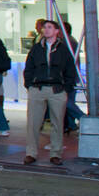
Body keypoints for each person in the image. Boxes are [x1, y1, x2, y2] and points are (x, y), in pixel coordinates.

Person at [23, 19, 76, 166]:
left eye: (50, 27)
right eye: (45, 27)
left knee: (57, 123)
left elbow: (70, 70)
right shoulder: (36, 49)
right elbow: (29, 68)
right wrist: (29, 85)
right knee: (33, 122)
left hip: (57, 89)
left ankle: (56, 153)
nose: (46, 30)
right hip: (37, 88)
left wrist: (66, 88)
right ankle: (31, 153)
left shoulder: (63, 50)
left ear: (57, 31)